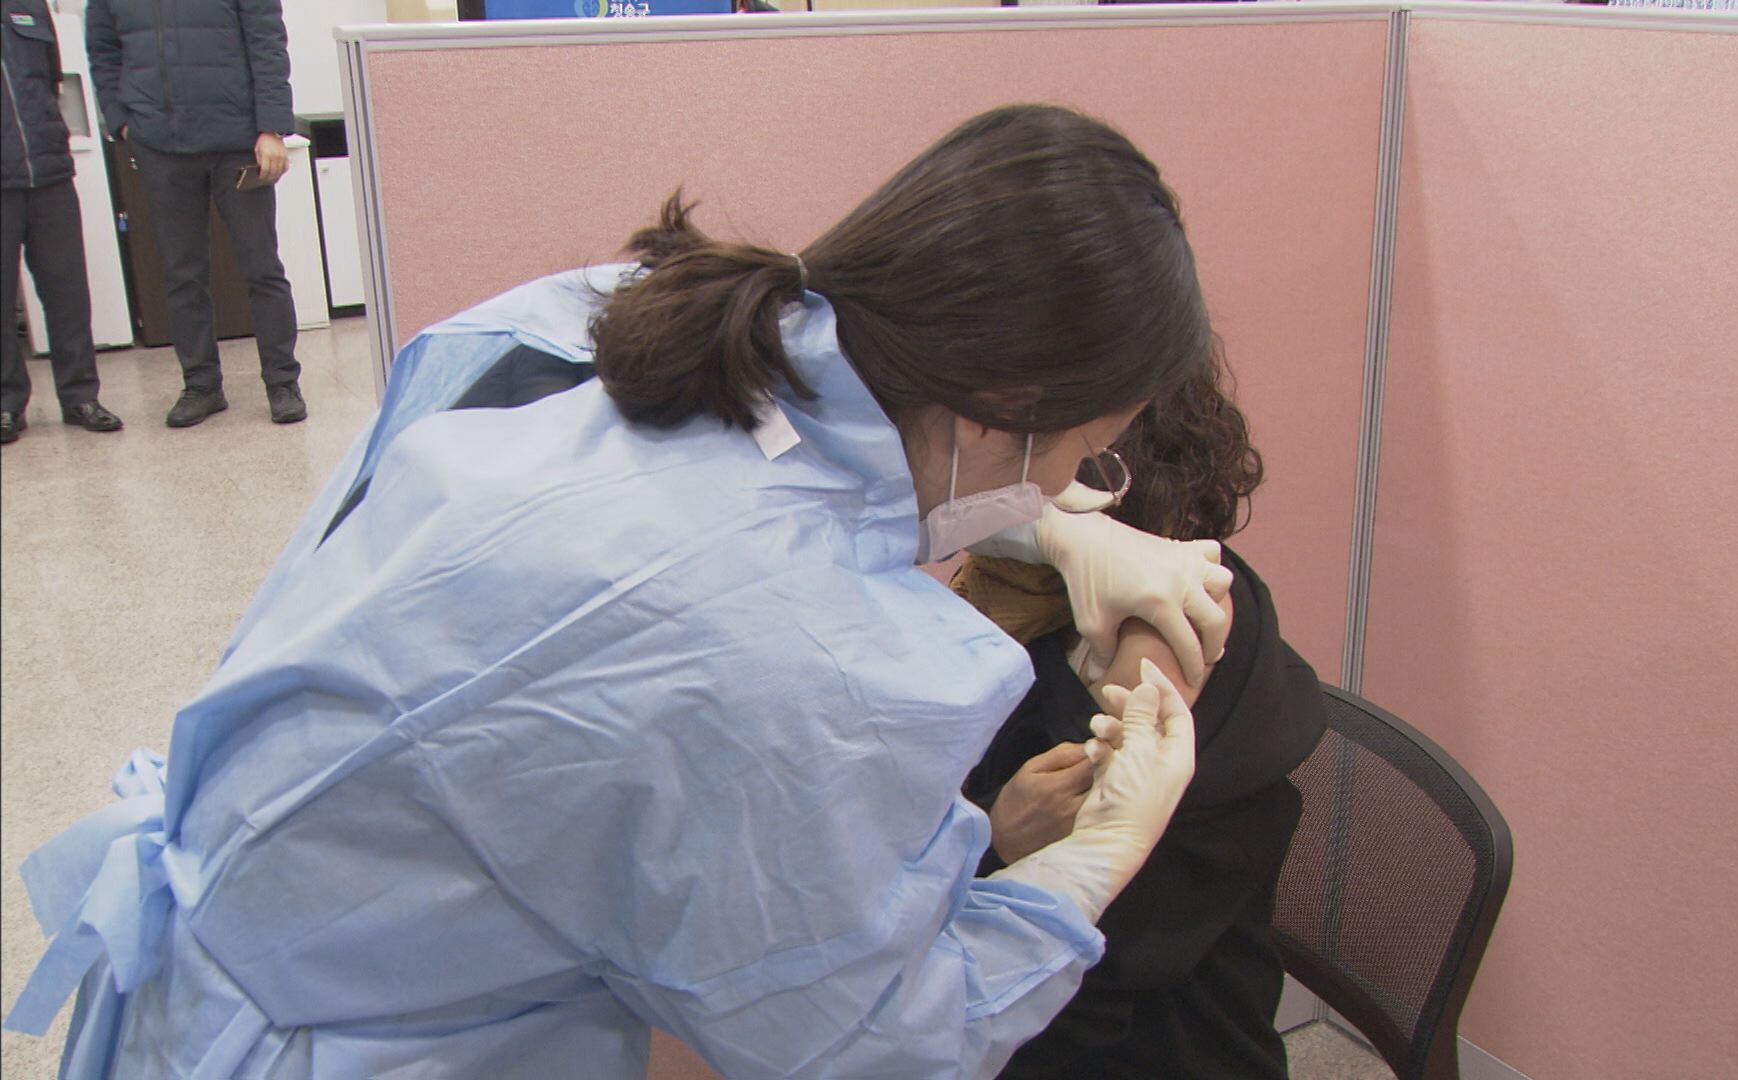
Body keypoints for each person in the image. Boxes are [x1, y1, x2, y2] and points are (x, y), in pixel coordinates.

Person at [4, 105, 1241, 1078]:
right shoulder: (816, 668)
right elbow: (869, 1040)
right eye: (1093, 454)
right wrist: (1096, 859)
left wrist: (1052, 526)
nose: (1085, 483)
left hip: (216, 959)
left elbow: (789, 488)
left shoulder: (623, 324)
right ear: (1003, 409)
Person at [954, 357, 1329, 1078]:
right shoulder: (1036, 586)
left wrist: (987, 843)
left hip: (1135, 1039)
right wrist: (988, 831)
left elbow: (1084, 975)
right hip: (1036, 969)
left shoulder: (1163, 632)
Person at [86, 0, 305, 428]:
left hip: (238, 141)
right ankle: (201, 385)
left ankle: (282, 382)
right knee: (181, 274)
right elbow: (103, 51)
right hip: (160, 144)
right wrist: (121, 122)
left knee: (261, 267)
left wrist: (272, 126)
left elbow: (266, 42)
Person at [1, 0, 122, 444]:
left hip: (49, 171)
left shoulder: (28, 6)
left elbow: (52, 79)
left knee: (67, 291)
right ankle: (7, 403)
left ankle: (80, 396)